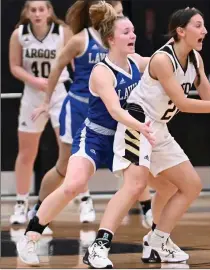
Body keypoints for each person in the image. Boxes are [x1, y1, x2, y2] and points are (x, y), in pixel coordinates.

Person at [84, 7, 210, 268]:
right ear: (181, 31)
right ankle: (98, 247)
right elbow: (184, 104)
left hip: (159, 128)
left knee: (190, 185)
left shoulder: (196, 59)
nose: (205, 31)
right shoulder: (163, 60)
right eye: (199, 25)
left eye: (205, 25)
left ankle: (157, 239)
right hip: (138, 123)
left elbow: (208, 97)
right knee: (135, 185)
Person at [16, 2, 175, 266]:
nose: (133, 36)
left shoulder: (136, 62)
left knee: (162, 185)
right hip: (95, 136)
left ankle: (157, 236)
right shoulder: (101, 71)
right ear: (110, 39)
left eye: (134, 31)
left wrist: (182, 51)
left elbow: (160, 63)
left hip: (123, 138)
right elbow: (114, 110)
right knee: (73, 184)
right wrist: (142, 126)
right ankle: (31, 237)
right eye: (126, 32)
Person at [29, 0, 154, 227]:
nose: (120, 17)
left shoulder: (124, 49)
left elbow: (146, 66)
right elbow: (57, 66)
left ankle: (147, 210)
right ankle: (40, 208)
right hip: (80, 108)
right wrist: (47, 101)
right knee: (65, 166)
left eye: (122, 13)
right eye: (118, 13)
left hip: (110, 111)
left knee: (132, 161)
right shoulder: (81, 40)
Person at [9, 0, 72, 225]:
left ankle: (84, 200)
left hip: (59, 95)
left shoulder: (63, 32)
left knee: (70, 151)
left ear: (49, 11)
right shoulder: (19, 34)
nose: (37, 13)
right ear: (27, 12)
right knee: (27, 152)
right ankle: (21, 202)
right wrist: (34, 80)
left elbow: (75, 62)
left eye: (41, 9)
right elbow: (14, 66)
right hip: (32, 96)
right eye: (32, 9)